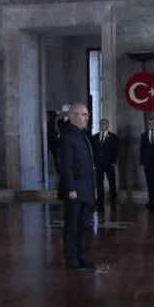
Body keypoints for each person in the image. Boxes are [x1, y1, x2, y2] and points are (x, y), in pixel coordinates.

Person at [57, 103, 96, 271]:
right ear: (73, 115)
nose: (87, 118)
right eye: (83, 114)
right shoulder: (67, 136)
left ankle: (79, 256)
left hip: (86, 187)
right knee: (73, 224)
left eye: (87, 115)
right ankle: (71, 258)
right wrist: (70, 188)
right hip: (75, 189)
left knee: (83, 224)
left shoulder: (82, 135)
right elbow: (65, 165)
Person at [91, 118, 119, 212]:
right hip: (99, 163)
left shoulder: (113, 137)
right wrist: (94, 161)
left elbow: (115, 151)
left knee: (111, 182)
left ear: (107, 125)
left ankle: (113, 199)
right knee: (99, 183)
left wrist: (113, 162)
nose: (102, 125)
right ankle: (100, 199)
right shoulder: (95, 137)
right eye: (101, 124)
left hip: (109, 163)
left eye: (104, 124)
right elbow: (93, 151)